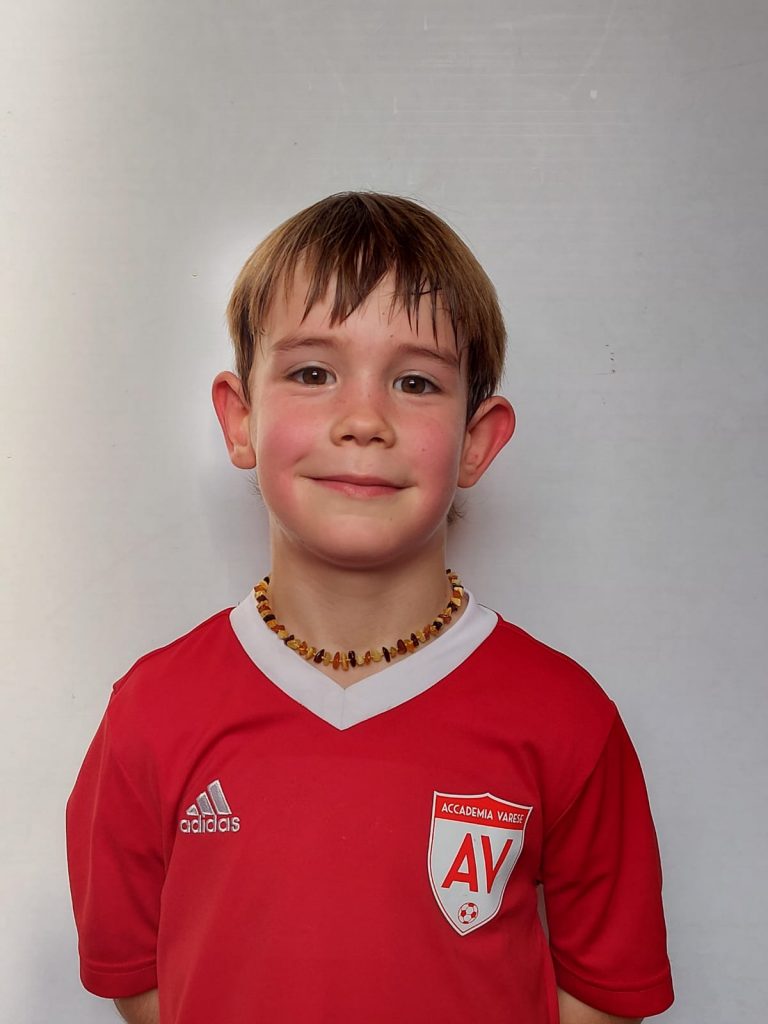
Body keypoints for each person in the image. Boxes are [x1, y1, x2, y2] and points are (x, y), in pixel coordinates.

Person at [66, 191, 674, 1024]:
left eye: (415, 381)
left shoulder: (567, 717)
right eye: (313, 373)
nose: (363, 420)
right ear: (241, 420)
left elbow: (605, 991)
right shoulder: (151, 711)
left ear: (477, 440)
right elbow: (139, 976)